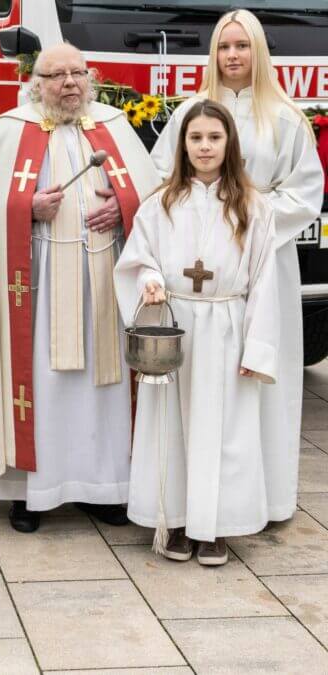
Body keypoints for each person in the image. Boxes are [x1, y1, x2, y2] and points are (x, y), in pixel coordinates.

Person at [0, 43, 159, 532]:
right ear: (36, 81)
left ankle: (103, 488)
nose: (70, 83)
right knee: (40, 387)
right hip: (34, 284)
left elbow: (154, 196)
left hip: (103, 283)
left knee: (105, 386)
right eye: (57, 75)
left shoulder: (115, 125)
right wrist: (24, 208)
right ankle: (29, 492)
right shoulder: (11, 129)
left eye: (78, 73)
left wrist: (124, 208)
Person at [150, 9, 324, 524]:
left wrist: (244, 214)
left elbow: (306, 191)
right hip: (203, 268)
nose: (232, 56)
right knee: (204, 384)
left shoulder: (286, 117)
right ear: (213, 54)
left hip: (266, 261)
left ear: (258, 52)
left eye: (242, 46)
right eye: (224, 47)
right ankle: (196, 498)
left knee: (264, 378)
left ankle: (264, 498)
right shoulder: (192, 113)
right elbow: (163, 177)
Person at [116, 100, 279, 565]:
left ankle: (217, 526)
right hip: (177, 329)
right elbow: (137, 257)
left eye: (214, 138)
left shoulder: (253, 207)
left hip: (228, 327)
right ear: (182, 145)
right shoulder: (162, 203)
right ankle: (178, 521)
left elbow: (265, 282)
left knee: (225, 431)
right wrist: (149, 278)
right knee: (172, 427)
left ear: (229, 144)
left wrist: (258, 347)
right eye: (195, 138)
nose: (204, 147)